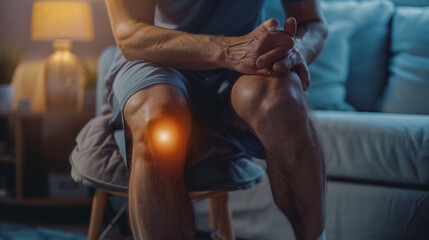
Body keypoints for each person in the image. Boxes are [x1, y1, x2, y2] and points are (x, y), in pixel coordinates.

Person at [104, 0, 328, 239]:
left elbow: (312, 22)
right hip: (157, 58)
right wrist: (229, 50)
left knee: (285, 101)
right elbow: (129, 34)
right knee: (158, 122)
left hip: (243, 63)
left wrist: (295, 51)